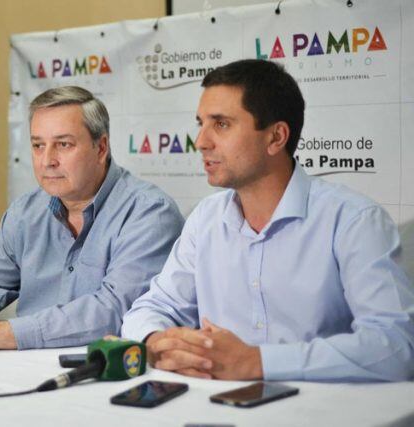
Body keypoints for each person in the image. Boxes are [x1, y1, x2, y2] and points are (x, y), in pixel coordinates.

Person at [121, 59, 414, 382]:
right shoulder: (205, 219)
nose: (201, 141)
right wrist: (155, 340)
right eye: (200, 123)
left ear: (276, 138)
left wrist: (258, 362)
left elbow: (395, 347)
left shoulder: (353, 221)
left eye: (221, 124)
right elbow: (150, 309)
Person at [0, 86, 184, 355]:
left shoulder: (149, 212)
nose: (47, 160)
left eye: (63, 144)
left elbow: (114, 310)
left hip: (105, 369)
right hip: (23, 365)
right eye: (38, 145)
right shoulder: (25, 212)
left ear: (101, 148)